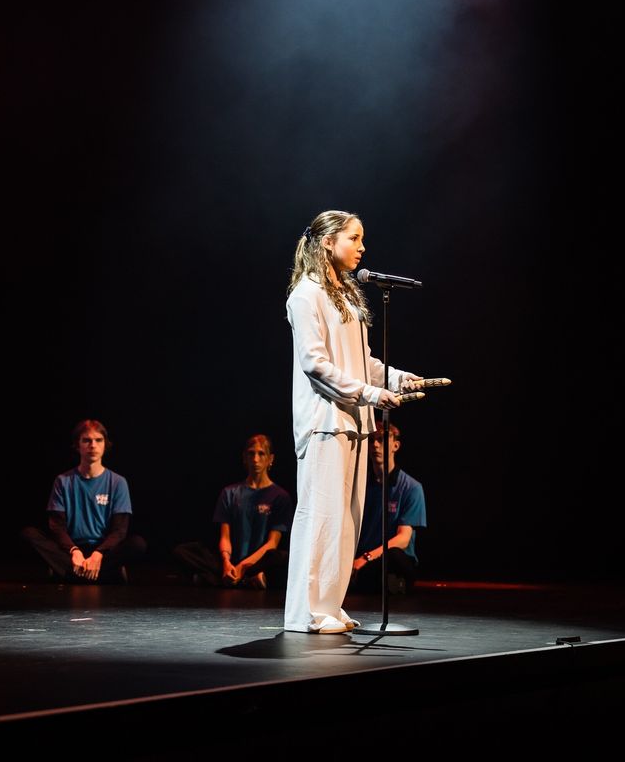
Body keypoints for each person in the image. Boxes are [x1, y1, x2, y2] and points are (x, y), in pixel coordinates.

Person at [283, 210, 423, 633]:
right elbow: (315, 365)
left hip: (355, 421)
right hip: (325, 421)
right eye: (354, 238)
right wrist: (371, 394)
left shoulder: (345, 296)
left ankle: (330, 604)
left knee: (347, 521)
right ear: (328, 241)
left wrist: (395, 378)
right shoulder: (306, 295)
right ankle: (308, 612)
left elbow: (362, 361)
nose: (362, 247)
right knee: (321, 517)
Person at [21, 419, 145, 583]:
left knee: (137, 544)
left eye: (98, 440)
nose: (93, 445)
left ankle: (72, 573)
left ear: (105, 445)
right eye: (86, 440)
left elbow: (119, 530)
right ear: (77, 445)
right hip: (71, 550)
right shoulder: (63, 481)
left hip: (103, 551)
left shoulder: (118, 482)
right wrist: (74, 551)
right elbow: (57, 526)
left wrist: (98, 553)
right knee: (29, 534)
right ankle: (102, 574)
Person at [172, 434, 293, 588]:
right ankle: (244, 579)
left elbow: (272, 543)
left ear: (270, 459)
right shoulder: (230, 493)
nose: (255, 459)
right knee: (183, 551)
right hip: (232, 561)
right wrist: (226, 562)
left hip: (259, 562)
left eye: (261, 454)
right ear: (244, 457)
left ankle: (218, 579)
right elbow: (225, 537)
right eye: (251, 453)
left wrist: (244, 566)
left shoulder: (280, 497)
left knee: (284, 558)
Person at [351, 422, 427, 595]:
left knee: (394, 556)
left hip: (389, 558)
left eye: (382, 439)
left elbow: (403, 539)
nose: (375, 445)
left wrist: (366, 558)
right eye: (372, 440)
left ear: (395, 446)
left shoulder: (411, 488)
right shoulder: (359, 485)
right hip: (363, 555)